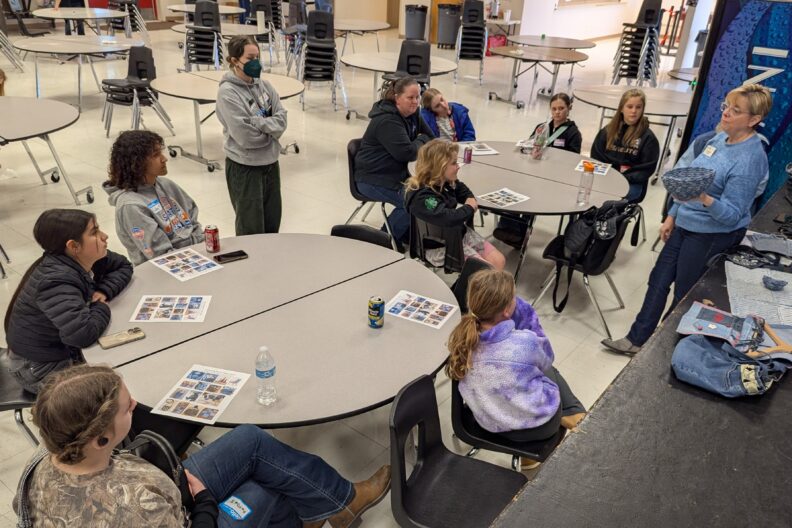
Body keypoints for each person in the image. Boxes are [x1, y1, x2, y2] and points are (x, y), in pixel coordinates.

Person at [14, 364, 392, 528]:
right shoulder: (134, 506)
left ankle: (340, 501)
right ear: (100, 436)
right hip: (176, 510)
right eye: (128, 407)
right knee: (264, 490)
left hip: (160, 490)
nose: (135, 405)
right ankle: (328, 507)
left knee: (249, 438)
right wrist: (207, 504)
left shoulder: (43, 460)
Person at [602, 84, 773, 355]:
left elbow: (731, 215)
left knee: (684, 294)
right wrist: (672, 215)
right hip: (684, 224)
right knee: (658, 280)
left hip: (711, 234)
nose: (726, 113)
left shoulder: (750, 159)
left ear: (753, 120)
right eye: (726, 106)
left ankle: (661, 349)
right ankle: (637, 339)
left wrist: (704, 198)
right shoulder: (718, 139)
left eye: (735, 110)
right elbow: (687, 178)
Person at [446, 269, 585, 468]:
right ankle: (574, 413)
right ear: (507, 310)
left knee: (529, 369)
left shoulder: (460, 341)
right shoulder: (525, 342)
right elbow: (547, 359)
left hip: (487, 422)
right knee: (548, 370)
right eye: (514, 298)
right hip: (537, 427)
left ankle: (573, 413)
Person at [4, 209, 132, 395]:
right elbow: (83, 335)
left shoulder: (87, 257)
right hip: (38, 368)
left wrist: (103, 290)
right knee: (112, 393)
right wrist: (98, 306)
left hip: (62, 350)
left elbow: (123, 266)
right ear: (73, 246)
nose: (104, 236)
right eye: (94, 232)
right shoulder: (55, 281)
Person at [216, 36, 287, 236]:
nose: (256, 63)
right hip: (245, 168)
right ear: (234, 60)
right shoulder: (227, 93)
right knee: (251, 230)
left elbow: (282, 121)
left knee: (272, 224)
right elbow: (245, 138)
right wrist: (270, 134)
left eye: (257, 56)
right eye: (250, 58)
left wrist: (258, 124)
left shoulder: (265, 86)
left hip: (271, 164)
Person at [493, 93, 582, 246]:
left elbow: (572, 161)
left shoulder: (573, 133)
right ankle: (507, 225)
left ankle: (520, 231)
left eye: (561, 108)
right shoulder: (542, 127)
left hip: (555, 178)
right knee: (513, 186)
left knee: (532, 193)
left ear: (569, 109)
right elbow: (530, 144)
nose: (557, 112)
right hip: (534, 170)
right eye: (554, 109)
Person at [103, 130, 204, 265]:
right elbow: (162, 256)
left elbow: (193, 221)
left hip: (196, 256)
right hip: (166, 271)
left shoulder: (166, 184)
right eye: (156, 155)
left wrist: (204, 248)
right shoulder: (131, 206)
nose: (164, 158)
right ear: (137, 163)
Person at [354, 76, 434, 247]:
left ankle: (405, 232)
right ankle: (384, 240)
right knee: (413, 201)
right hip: (372, 177)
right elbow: (407, 153)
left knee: (428, 191)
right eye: (410, 97)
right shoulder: (387, 120)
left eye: (418, 96)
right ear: (397, 97)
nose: (415, 102)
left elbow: (431, 138)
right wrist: (421, 140)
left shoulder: (413, 114)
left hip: (395, 172)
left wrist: (421, 140)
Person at [405, 139, 505, 270]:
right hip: (439, 247)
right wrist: (469, 207)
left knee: (499, 261)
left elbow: (463, 191)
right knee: (485, 271)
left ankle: (477, 287)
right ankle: (464, 289)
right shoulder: (421, 196)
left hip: (457, 234)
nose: (458, 166)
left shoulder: (444, 180)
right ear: (438, 167)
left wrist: (468, 198)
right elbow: (448, 218)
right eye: (454, 163)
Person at [590, 88, 660, 203]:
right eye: (630, 106)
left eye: (638, 107)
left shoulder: (648, 138)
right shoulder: (607, 131)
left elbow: (646, 170)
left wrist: (622, 178)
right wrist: (608, 176)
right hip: (606, 178)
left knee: (608, 197)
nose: (634, 111)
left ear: (642, 109)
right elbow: (596, 157)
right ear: (621, 108)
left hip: (631, 183)